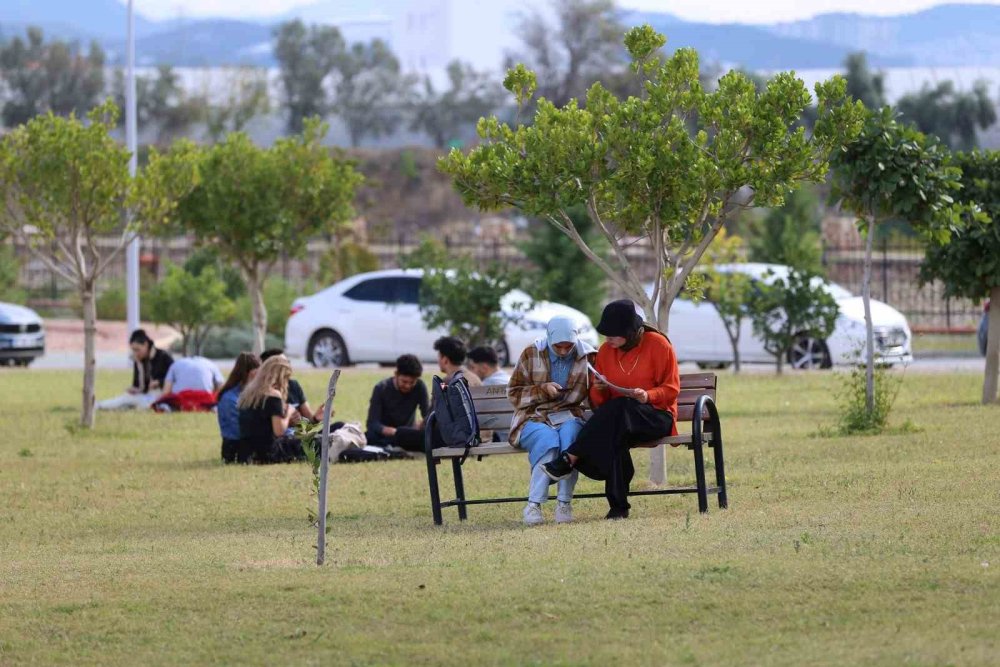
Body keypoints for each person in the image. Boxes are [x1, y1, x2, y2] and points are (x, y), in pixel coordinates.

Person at [543, 300, 680, 520]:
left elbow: (671, 390)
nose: (607, 339)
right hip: (618, 419)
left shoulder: (659, 345)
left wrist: (647, 395)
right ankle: (618, 507)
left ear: (630, 332)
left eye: (613, 334)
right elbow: (600, 403)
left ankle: (571, 456)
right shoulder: (606, 351)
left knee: (620, 408)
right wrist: (598, 389)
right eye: (605, 334)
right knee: (615, 431)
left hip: (656, 416)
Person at [508, 316, 594, 525]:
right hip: (532, 416)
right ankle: (533, 505)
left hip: (569, 415)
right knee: (548, 442)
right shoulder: (531, 353)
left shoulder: (588, 356)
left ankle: (564, 502)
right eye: (559, 347)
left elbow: (596, 398)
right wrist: (541, 390)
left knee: (571, 442)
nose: (564, 351)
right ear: (549, 339)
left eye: (568, 347)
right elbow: (513, 393)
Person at [236, 354, 305, 464]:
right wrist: (289, 412)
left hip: (246, 453)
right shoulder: (273, 395)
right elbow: (279, 431)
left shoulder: (248, 394)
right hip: (268, 452)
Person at [366, 354, 429, 452]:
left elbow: (427, 415)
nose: (408, 386)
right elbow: (372, 423)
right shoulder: (381, 388)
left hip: (407, 434)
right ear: (396, 374)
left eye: (412, 382)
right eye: (404, 382)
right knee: (370, 436)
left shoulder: (420, 387)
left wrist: (422, 424)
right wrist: (390, 431)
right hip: (384, 435)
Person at [97, 329, 174, 410]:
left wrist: (159, 382)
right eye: (133, 350)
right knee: (127, 399)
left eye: (137, 350)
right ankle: (101, 405)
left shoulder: (163, 356)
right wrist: (135, 389)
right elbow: (138, 385)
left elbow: (175, 377)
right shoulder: (138, 361)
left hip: (161, 395)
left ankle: (100, 405)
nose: (135, 353)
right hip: (145, 396)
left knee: (128, 400)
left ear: (146, 344)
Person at [216, 352, 261, 463]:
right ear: (250, 374)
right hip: (236, 448)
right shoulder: (229, 398)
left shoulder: (254, 394)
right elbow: (239, 430)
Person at [261, 348, 315, 421]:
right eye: (284, 363)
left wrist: (317, 418)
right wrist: (288, 420)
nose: (288, 366)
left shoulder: (293, 385)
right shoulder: (264, 393)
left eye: (288, 362)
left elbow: (310, 420)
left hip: (298, 431)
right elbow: (276, 429)